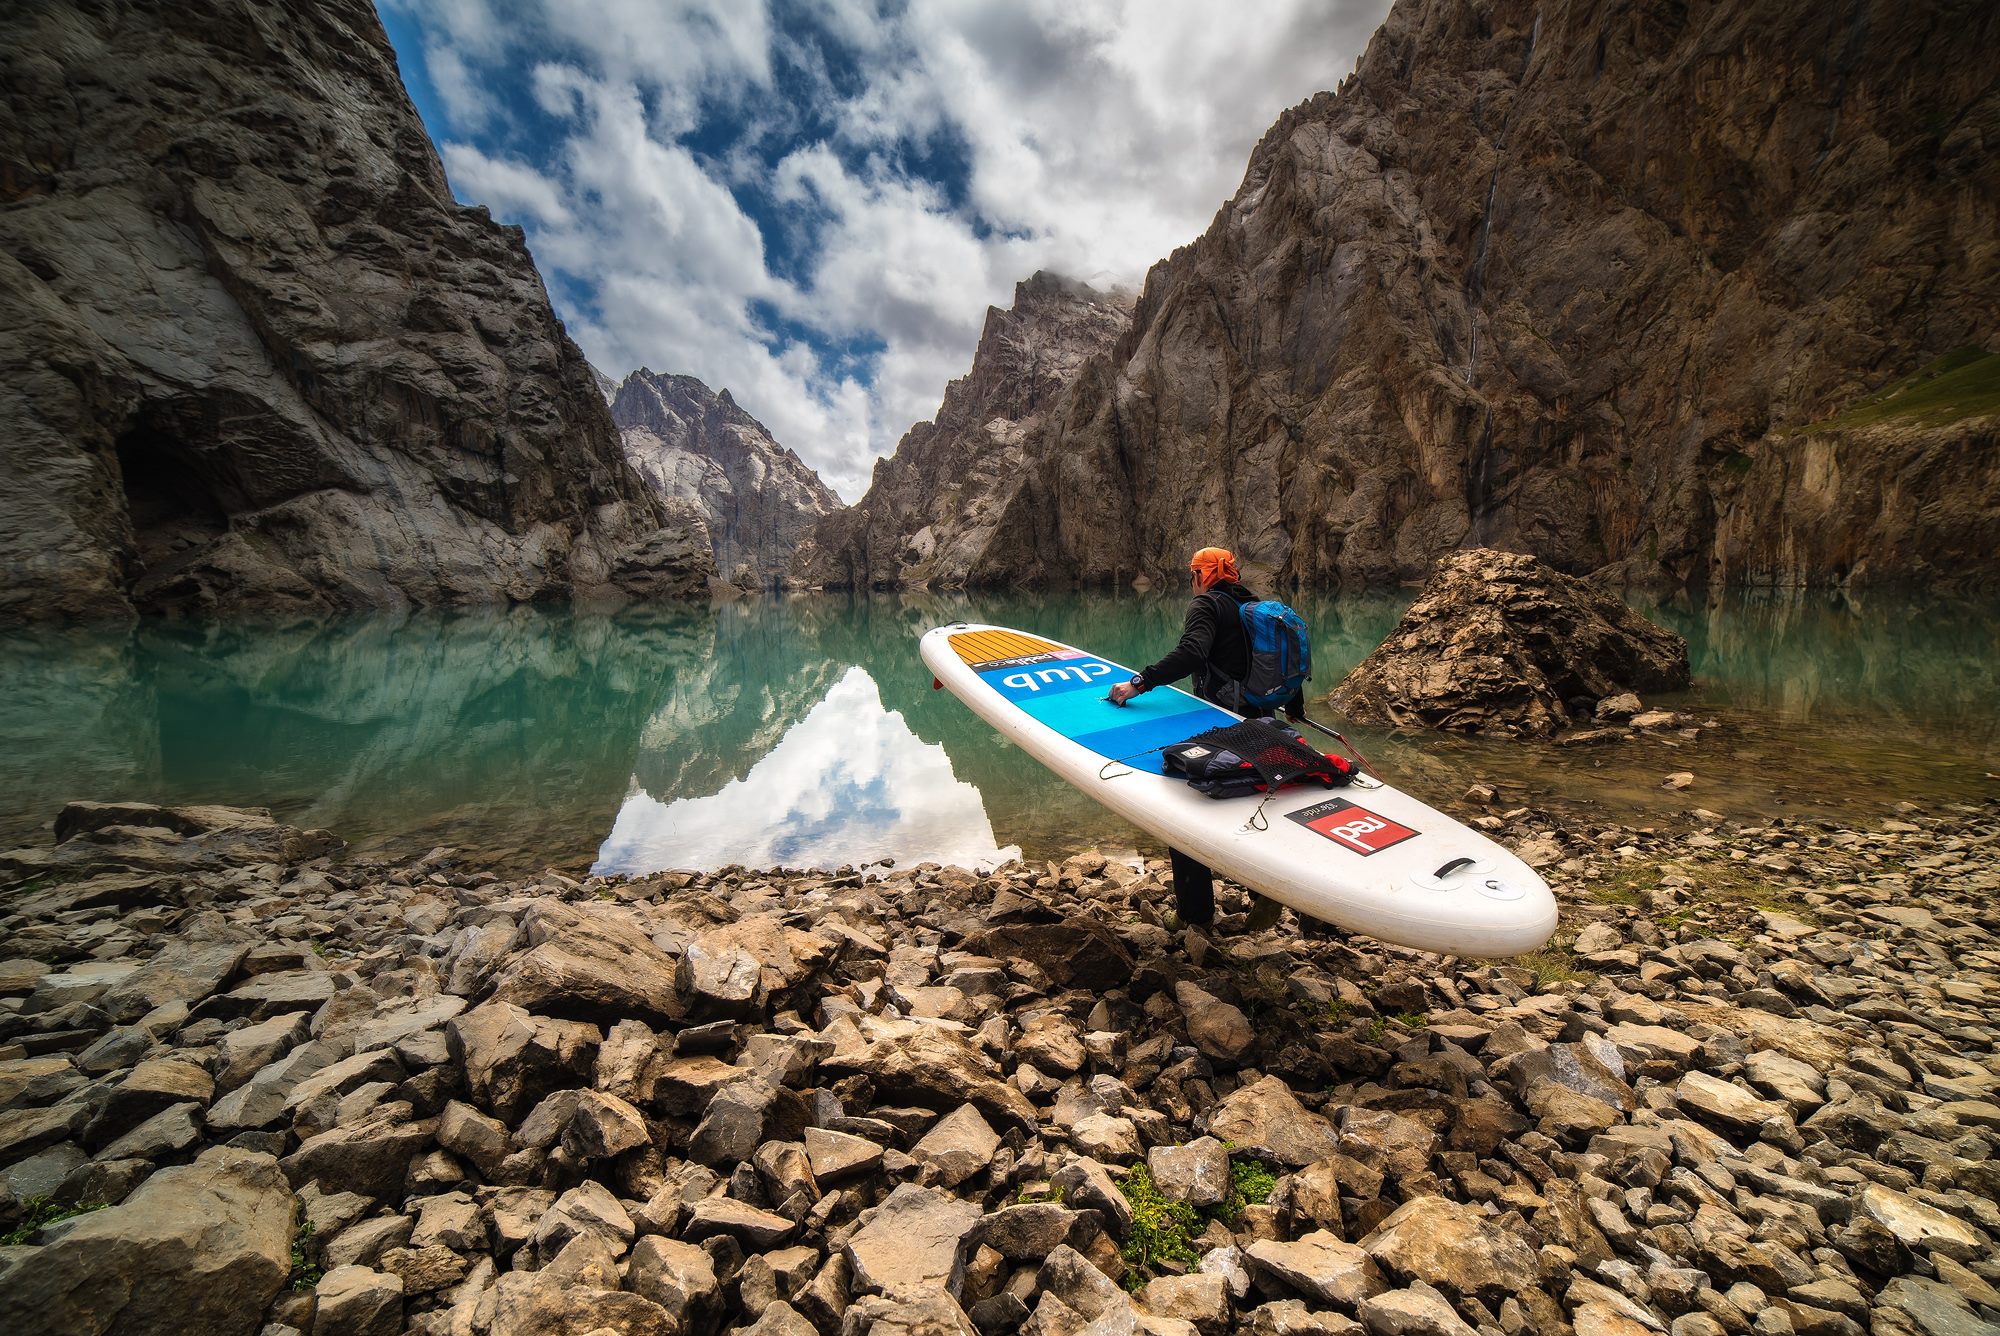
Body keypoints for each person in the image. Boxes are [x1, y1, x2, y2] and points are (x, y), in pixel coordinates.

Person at [1107, 546, 1303, 929]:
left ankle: (1194, 916)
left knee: (1185, 804)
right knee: (1252, 805)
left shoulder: (1206, 606)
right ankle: (1265, 894)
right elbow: (1285, 661)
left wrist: (1139, 682)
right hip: (1263, 720)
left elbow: (1192, 653)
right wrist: (1295, 707)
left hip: (1222, 723)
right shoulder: (1255, 605)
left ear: (1199, 576)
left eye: (1192, 575)